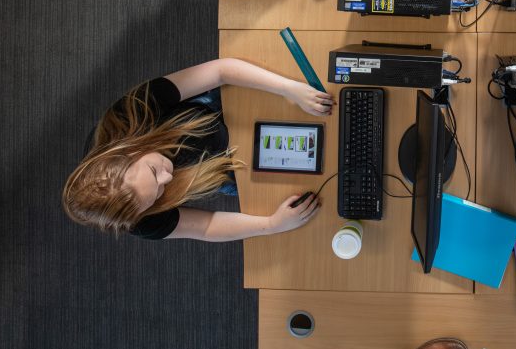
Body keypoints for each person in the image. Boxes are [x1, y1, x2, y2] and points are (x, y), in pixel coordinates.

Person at [63, 58, 335, 241]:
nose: (167, 178)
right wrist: (272, 225)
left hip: (208, 113)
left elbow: (220, 70)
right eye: (158, 193)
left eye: (153, 171)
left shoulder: (130, 113)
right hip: (215, 170)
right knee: (323, 172)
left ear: (128, 151)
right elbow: (205, 227)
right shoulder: (137, 218)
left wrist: (289, 90)